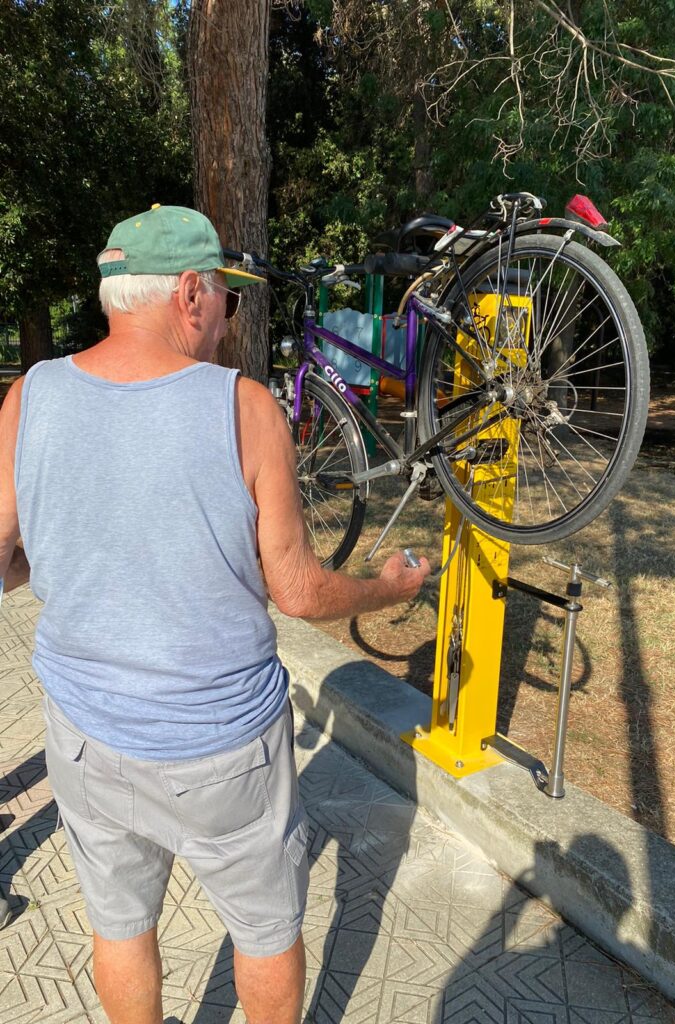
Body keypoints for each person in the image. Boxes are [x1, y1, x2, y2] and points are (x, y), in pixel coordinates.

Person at [0, 204, 430, 1024]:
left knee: (120, 925)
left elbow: (4, 557)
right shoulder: (245, 407)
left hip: (85, 739)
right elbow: (299, 591)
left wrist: (71, 557)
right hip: (223, 750)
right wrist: (389, 589)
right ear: (189, 293)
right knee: (266, 931)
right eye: (228, 298)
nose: (231, 317)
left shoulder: (32, 395)